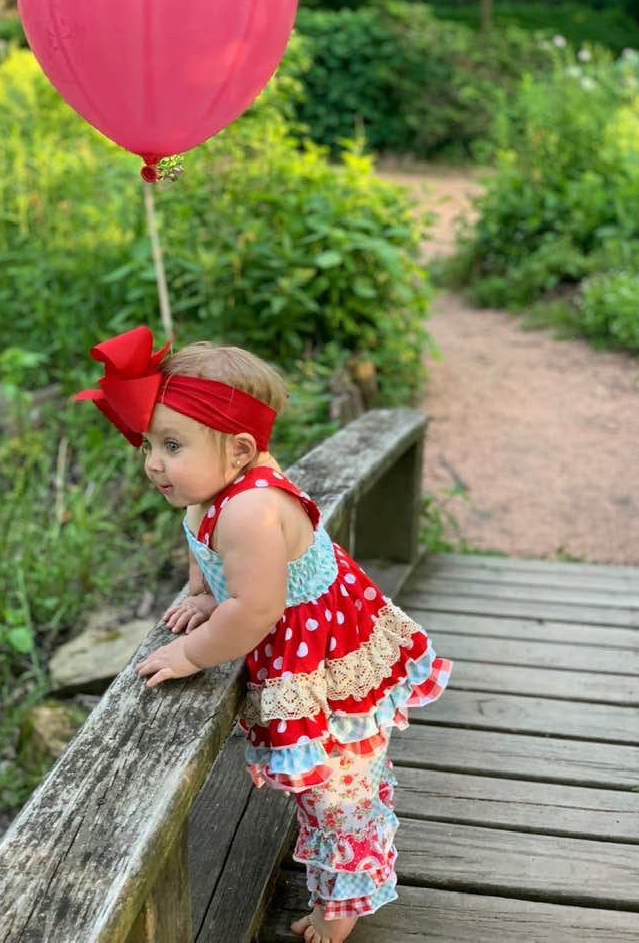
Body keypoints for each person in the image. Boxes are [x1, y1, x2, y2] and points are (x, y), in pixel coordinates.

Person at [75, 325, 452, 943]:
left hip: (328, 652)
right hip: (298, 634)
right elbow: (201, 535)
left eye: (171, 444)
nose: (151, 463)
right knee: (333, 778)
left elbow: (254, 613)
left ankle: (343, 902)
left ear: (242, 451)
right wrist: (201, 591)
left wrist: (194, 652)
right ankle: (341, 876)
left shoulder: (251, 507)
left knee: (339, 783)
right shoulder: (211, 486)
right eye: (147, 443)